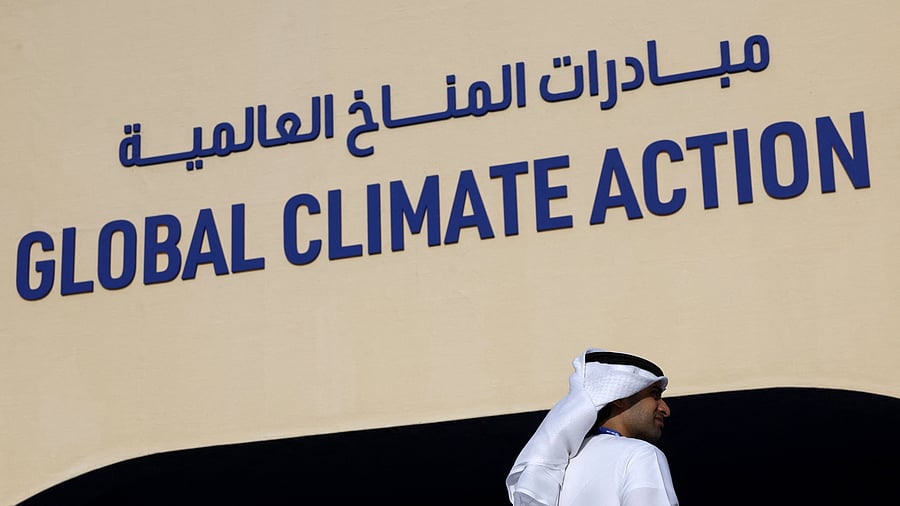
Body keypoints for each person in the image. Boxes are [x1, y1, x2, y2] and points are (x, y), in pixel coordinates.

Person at [506, 348, 678, 506]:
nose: (665, 409)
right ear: (620, 396)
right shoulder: (640, 454)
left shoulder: (557, 470)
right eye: (655, 395)